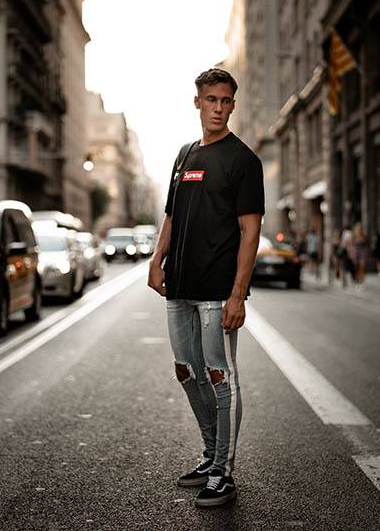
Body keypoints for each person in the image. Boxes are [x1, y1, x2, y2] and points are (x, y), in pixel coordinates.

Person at [147, 68, 264, 508]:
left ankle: (224, 470)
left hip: (217, 289)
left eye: (226, 100)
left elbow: (249, 232)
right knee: (187, 371)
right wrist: (157, 260)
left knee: (220, 376)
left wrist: (238, 294)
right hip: (179, 285)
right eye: (211, 99)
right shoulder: (184, 155)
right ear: (197, 102)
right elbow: (172, 217)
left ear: (233, 104)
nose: (218, 107)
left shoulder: (243, 160)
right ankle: (211, 454)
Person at [351, 222, 369, 286]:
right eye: (358, 228)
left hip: (363, 253)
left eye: (360, 228)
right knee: (357, 268)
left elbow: (366, 245)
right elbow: (352, 245)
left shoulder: (364, 235)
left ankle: (362, 281)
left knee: (362, 267)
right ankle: (357, 282)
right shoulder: (354, 235)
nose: (359, 229)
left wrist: (367, 253)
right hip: (356, 253)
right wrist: (352, 254)